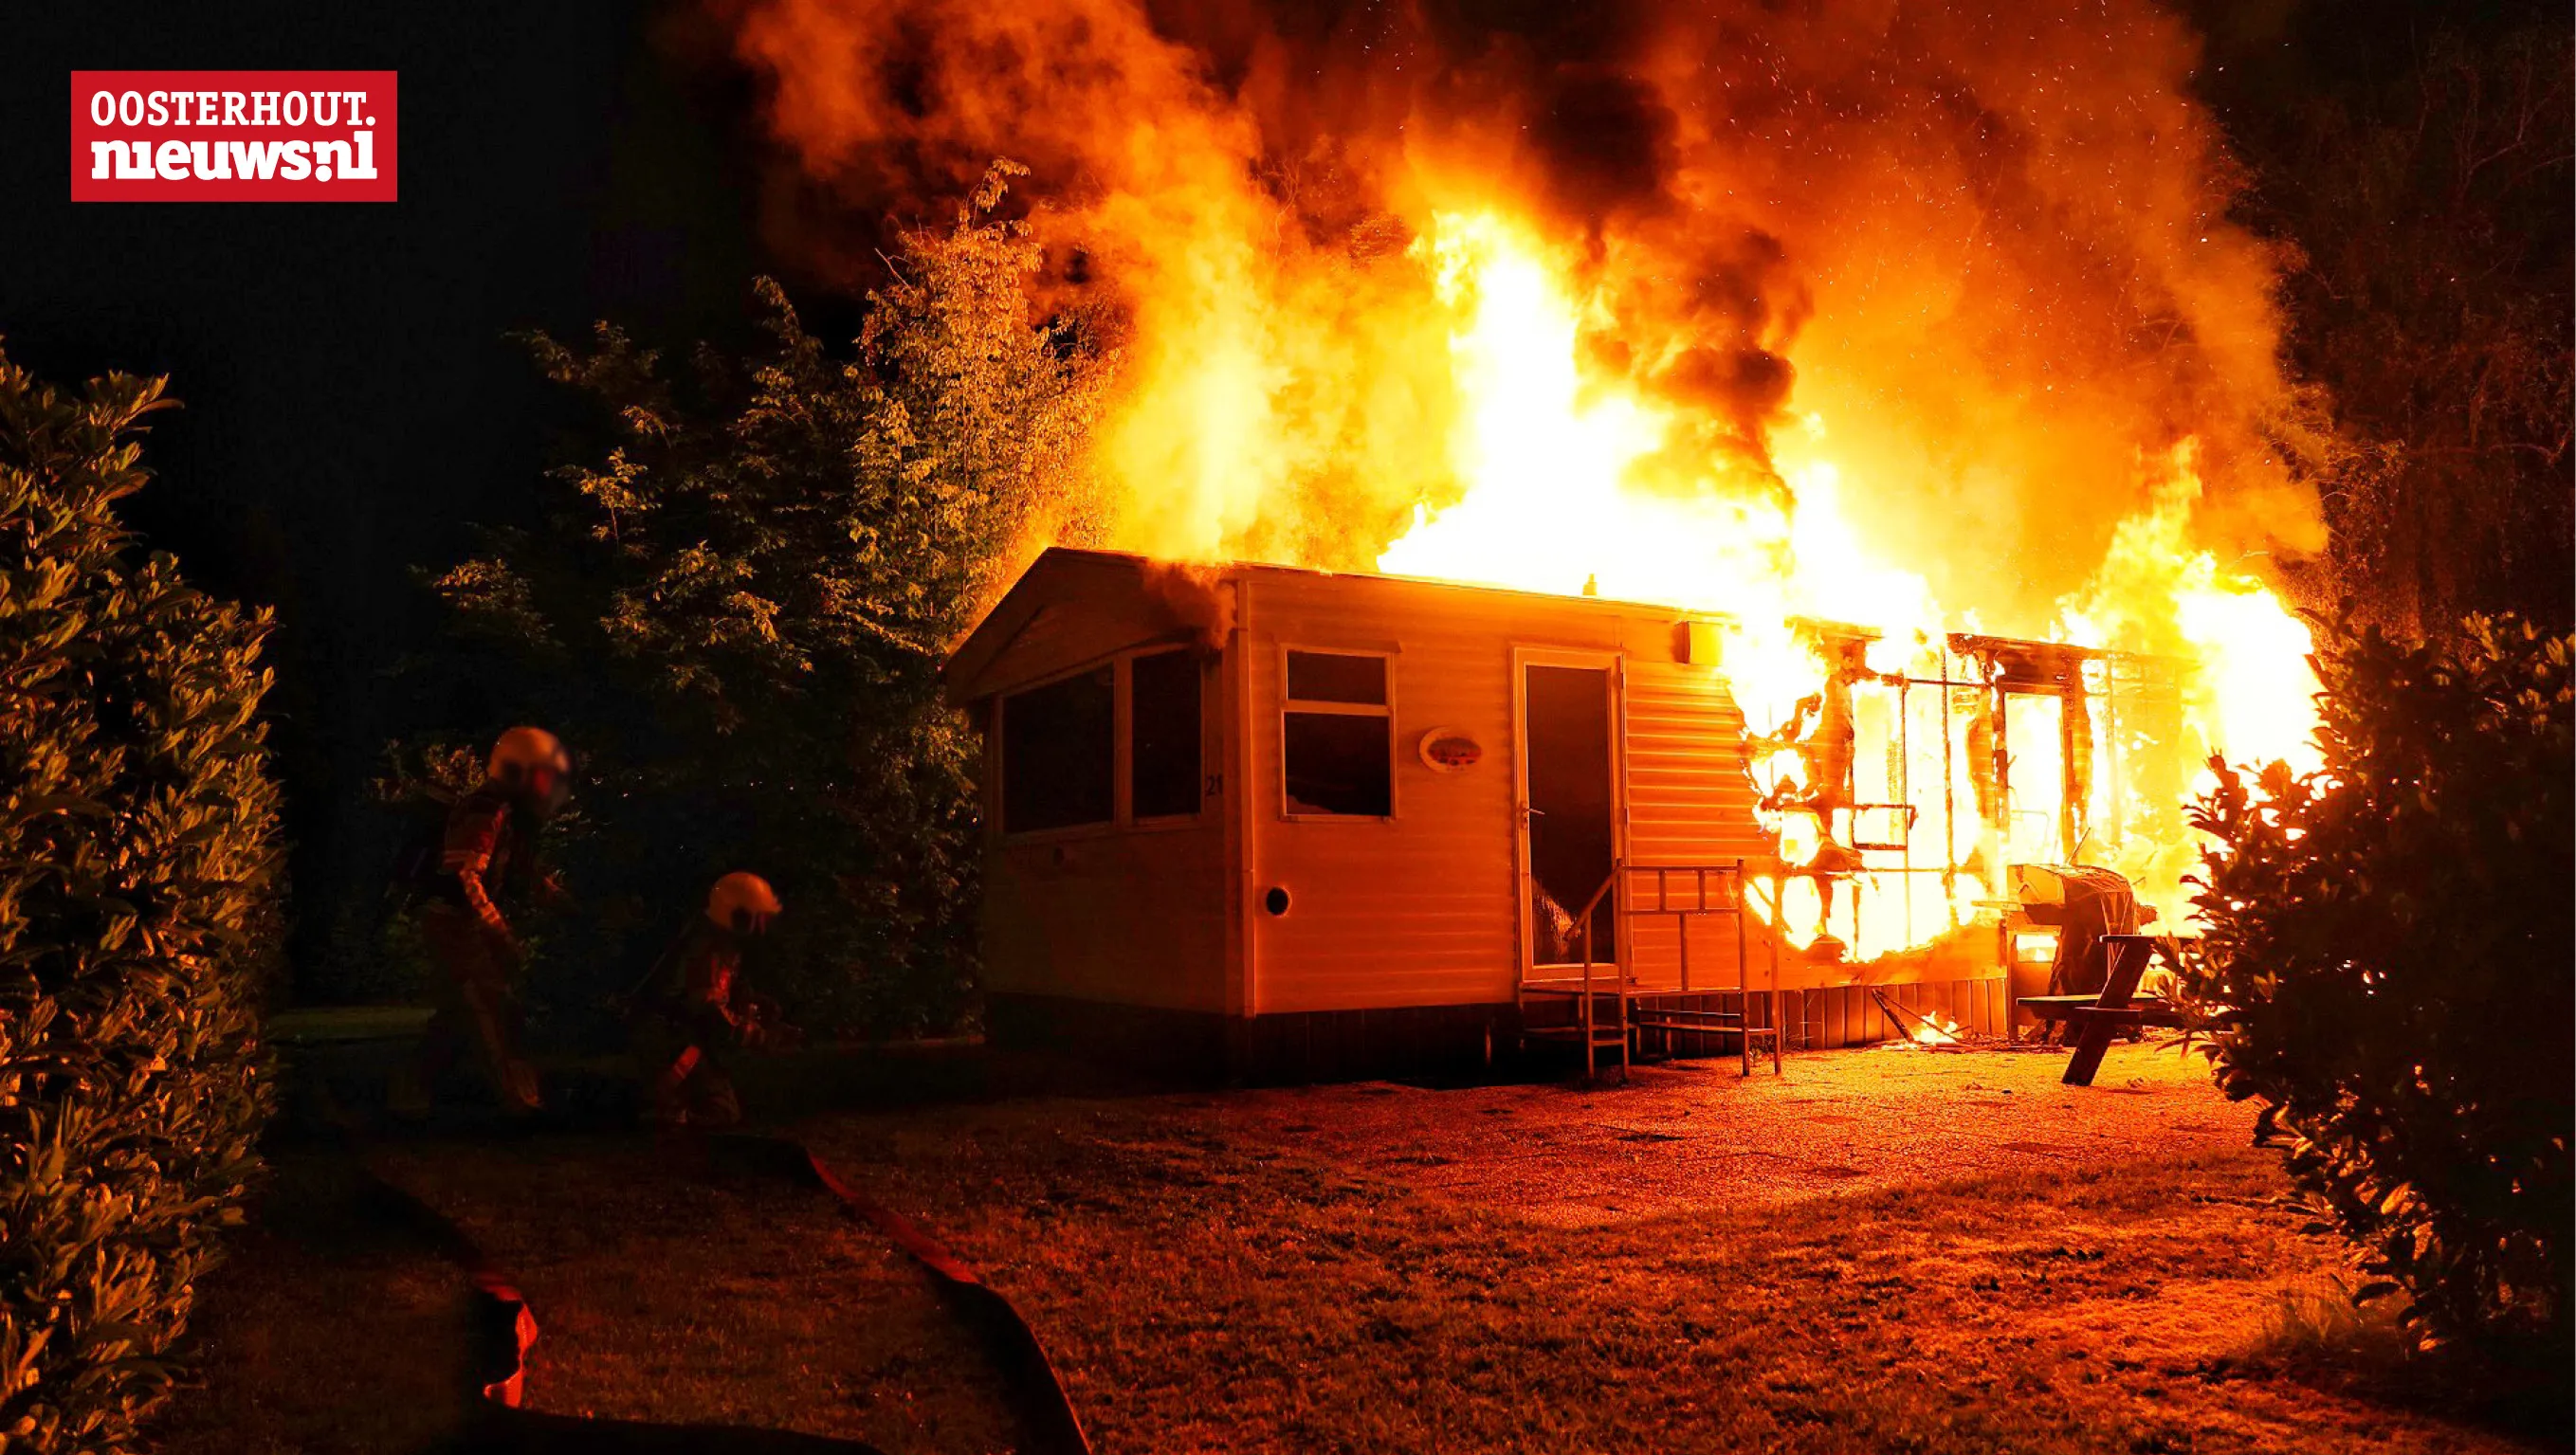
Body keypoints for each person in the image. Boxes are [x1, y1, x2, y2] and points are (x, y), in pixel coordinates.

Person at [392, 726, 571, 1118]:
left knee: (460, 1009)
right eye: (540, 774)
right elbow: (466, 875)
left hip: (458, 919)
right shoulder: (485, 809)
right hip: (451, 918)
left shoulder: (507, 812)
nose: (546, 784)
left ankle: (411, 1090)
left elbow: (518, 871)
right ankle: (519, 1100)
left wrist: (560, 899)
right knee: (491, 999)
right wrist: (496, 928)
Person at [638, 871, 792, 1130]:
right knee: (722, 1112)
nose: (759, 926)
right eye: (755, 917)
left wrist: (752, 999)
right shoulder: (706, 950)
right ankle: (665, 1117)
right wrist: (758, 1036)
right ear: (738, 915)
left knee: (723, 1103)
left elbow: (723, 989)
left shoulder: (721, 945)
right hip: (675, 1043)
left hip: (683, 1039)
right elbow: (707, 1007)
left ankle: (668, 1107)